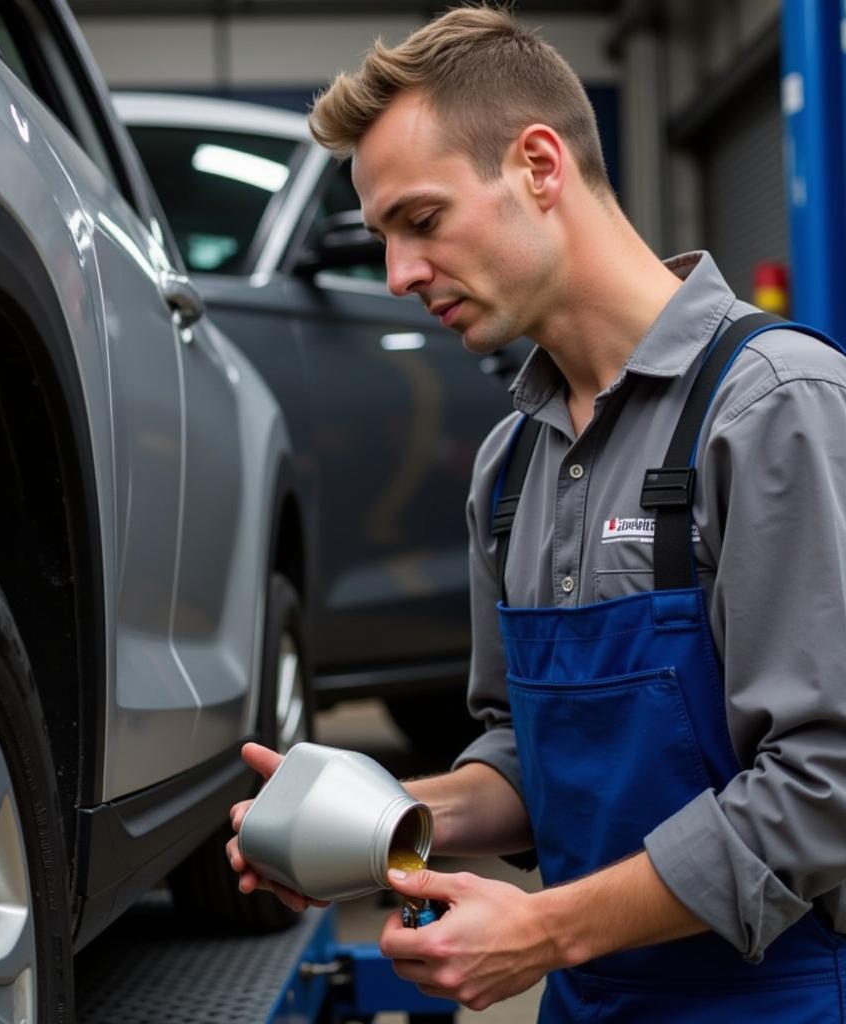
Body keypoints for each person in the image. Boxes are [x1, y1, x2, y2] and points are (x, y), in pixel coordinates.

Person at [227, 5, 846, 1019]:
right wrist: (372, 817)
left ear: (539, 166)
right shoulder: (511, 466)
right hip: (589, 999)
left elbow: (825, 785)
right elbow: (529, 755)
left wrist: (543, 929)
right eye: (382, 237)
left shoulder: (771, 405)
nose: (397, 276)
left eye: (420, 221)